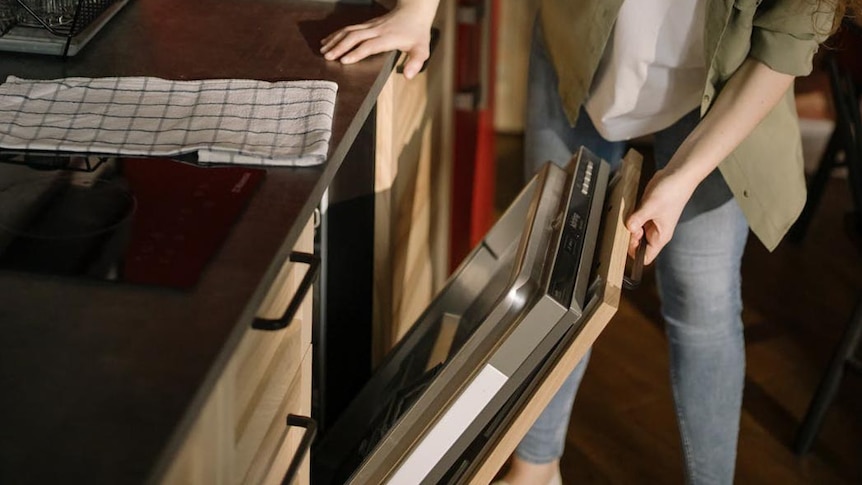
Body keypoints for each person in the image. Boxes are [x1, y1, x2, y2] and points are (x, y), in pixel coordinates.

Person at [321, 1, 857, 483]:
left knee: (704, 301)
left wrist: (683, 177)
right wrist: (418, 10)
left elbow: (782, 50)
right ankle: (535, 468)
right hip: (580, 52)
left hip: (724, 93)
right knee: (554, 274)